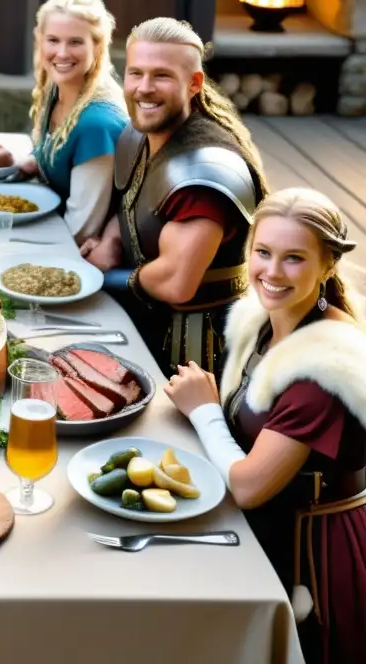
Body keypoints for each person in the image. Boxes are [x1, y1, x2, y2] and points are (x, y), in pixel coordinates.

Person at [165, 188, 366, 664]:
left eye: (294, 258)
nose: (272, 273)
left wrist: (204, 410)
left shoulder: (323, 369)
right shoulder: (263, 320)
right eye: (263, 252)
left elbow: (250, 487)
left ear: (328, 266)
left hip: (307, 555)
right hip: (263, 524)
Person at [82, 16, 269, 379]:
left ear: (194, 83)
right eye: (136, 73)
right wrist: (110, 239)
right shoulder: (139, 133)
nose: (144, 88)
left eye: (162, 76)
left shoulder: (204, 172)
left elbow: (176, 282)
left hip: (194, 353)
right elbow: (133, 198)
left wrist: (98, 280)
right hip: (140, 316)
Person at [19, 0, 128, 245]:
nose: (62, 53)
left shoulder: (97, 124)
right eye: (53, 40)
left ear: (98, 47)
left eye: (76, 42)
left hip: (73, 251)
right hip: (50, 222)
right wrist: (22, 163)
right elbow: (56, 153)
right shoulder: (57, 89)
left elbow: (80, 231)